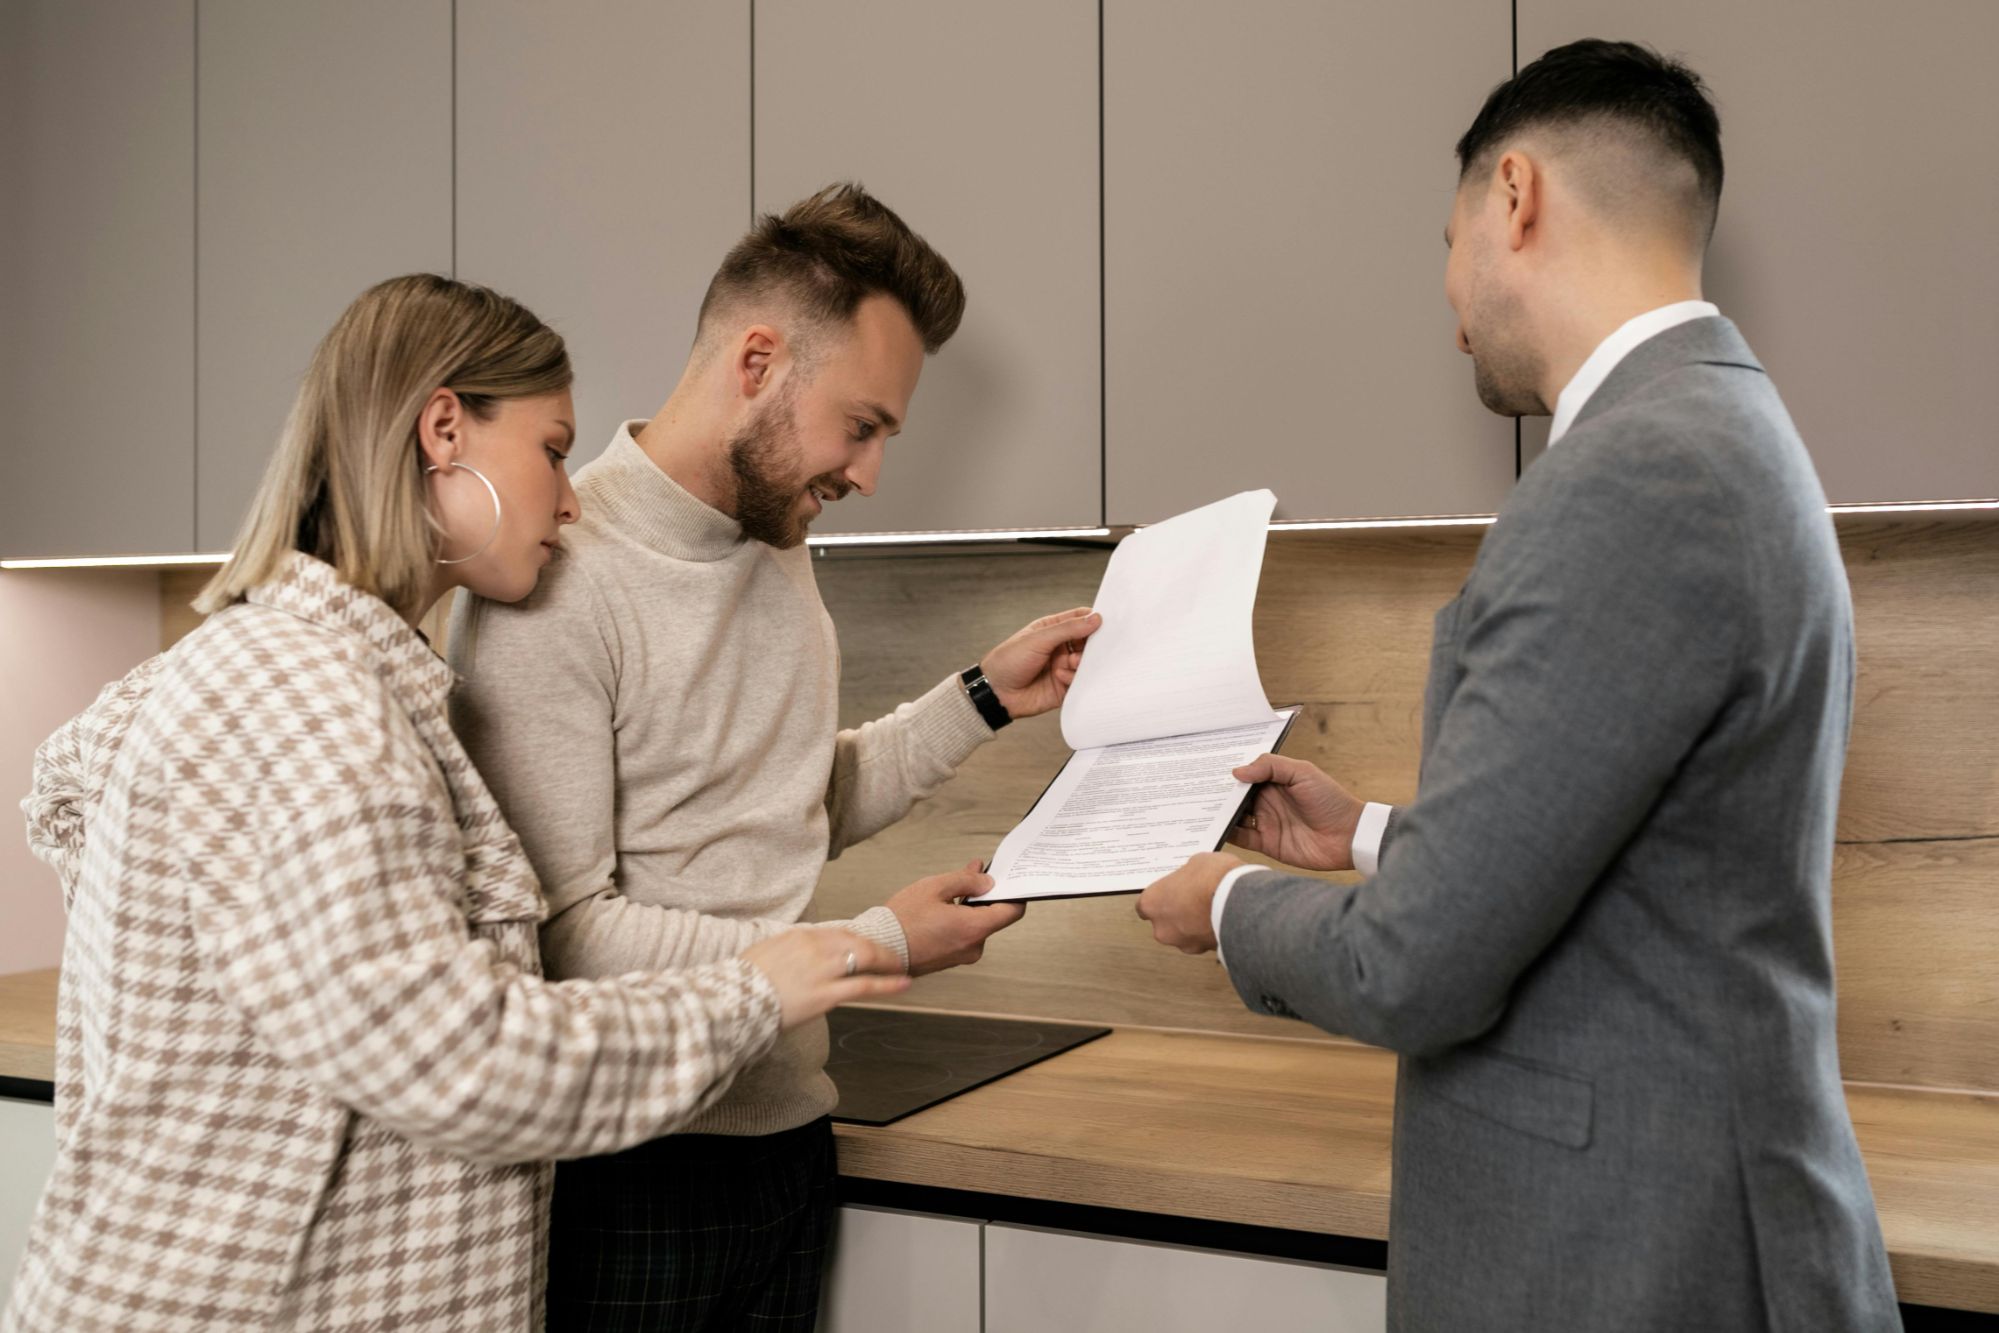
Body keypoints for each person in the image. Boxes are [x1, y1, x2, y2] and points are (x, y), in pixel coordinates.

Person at [1135, 39, 1900, 1332]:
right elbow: (1637, 867)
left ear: (1513, 195)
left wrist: (1228, 904)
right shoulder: (1716, 428)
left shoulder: (1628, 478)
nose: (1444, 291)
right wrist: (1369, 835)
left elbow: (1413, 972)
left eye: (1445, 240)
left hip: (1636, 1260)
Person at [5, 274, 909, 1333]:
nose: (571, 503)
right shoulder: (312, 709)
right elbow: (461, 1060)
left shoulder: (295, 678)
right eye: (554, 449)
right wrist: (761, 985)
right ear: (444, 429)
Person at [447, 183, 1100, 1329]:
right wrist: (869, 946)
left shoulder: (772, 534)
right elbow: (559, 935)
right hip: (629, 1164)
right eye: (863, 425)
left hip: (788, 1139)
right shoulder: (557, 573)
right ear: (757, 361)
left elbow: (793, 795)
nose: (868, 473)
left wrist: (983, 698)